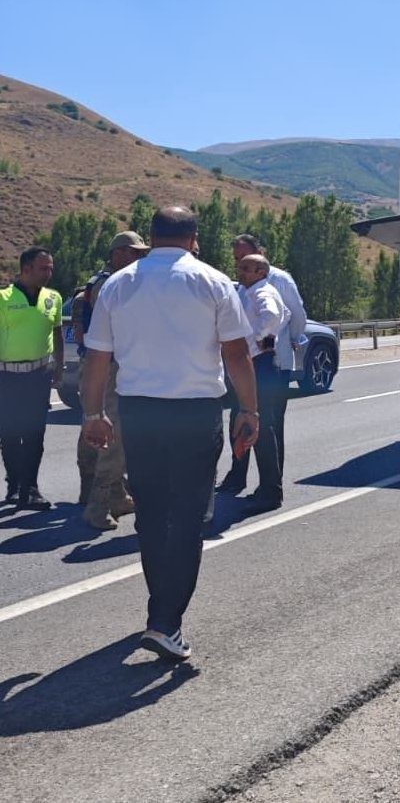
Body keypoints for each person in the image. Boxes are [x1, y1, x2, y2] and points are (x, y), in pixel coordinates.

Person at [82, 207, 258, 662]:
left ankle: (161, 612)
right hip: (195, 415)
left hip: (139, 415)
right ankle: (165, 621)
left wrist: (93, 413)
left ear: (153, 238)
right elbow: (237, 355)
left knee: (152, 516)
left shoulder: (118, 285)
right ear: (193, 238)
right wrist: (249, 410)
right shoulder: (214, 282)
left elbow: (97, 358)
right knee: (189, 519)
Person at [216, 233, 307, 495]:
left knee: (268, 425)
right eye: (236, 260)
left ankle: (271, 485)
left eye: (244, 259)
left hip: (271, 361)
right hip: (245, 366)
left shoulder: (277, 280)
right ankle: (237, 476)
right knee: (240, 418)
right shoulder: (244, 285)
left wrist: (286, 339)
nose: (239, 266)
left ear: (260, 256)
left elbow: (295, 314)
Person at [74, 231, 149, 530]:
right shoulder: (113, 284)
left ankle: (111, 494)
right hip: (110, 367)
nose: (140, 258)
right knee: (112, 435)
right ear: (118, 254)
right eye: (135, 252)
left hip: (101, 366)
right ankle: (98, 504)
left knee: (94, 428)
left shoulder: (100, 281)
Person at [0, 246, 64, 510]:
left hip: (39, 376)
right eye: (43, 268)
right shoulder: (3, 298)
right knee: (11, 433)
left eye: (50, 268)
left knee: (36, 433)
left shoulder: (54, 298)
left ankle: (32, 487)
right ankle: (14, 486)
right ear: (26, 268)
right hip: (7, 377)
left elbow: (57, 333)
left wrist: (59, 368)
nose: (49, 273)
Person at [231, 254, 289, 512]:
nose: (240, 272)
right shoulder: (250, 291)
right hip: (262, 364)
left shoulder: (261, 292)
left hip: (261, 366)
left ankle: (271, 493)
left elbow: (273, 315)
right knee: (260, 430)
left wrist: (256, 342)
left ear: (261, 272)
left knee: (262, 431)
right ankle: (268, 489)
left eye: (246, 269)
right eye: (240, 267)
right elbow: (284, 313)